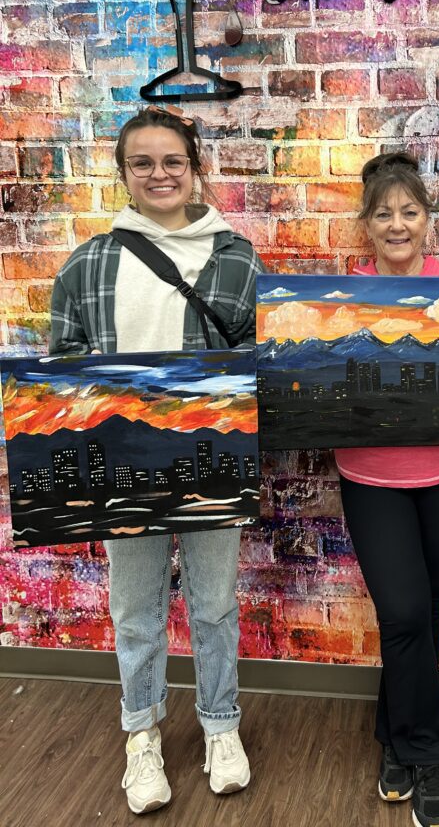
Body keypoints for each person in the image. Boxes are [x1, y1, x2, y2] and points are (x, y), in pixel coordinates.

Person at [50, 106, 265, 816]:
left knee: (214, 605)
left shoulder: (236, 256)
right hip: (123, 467)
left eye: (172, 161)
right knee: (136, 610)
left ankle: (220, 726)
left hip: (211, 462)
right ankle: (140, 733)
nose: (159, 174)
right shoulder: (88, 263)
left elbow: (261, 366)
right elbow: (62, 374)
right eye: (142, 163)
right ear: (123, 173)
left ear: (193, 165)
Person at [335, 152, 439, 827]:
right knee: (404, 614)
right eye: (384, 214)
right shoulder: (340, 299)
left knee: (423, 615)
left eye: (410, 211)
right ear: (367, 225)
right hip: (370, 477)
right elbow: (319, 381)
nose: (398, 224)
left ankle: (395, 739)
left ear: (427, 220)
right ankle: (431, 754)